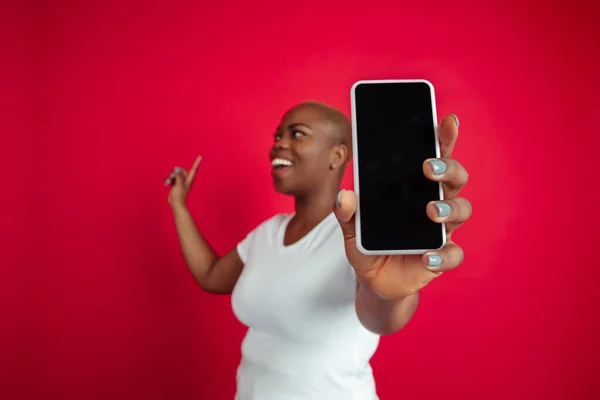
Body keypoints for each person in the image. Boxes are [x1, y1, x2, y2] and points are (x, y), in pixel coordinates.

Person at [166, 101, 472, 400]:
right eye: (277, 135)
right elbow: (211, 275)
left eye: (297, 133)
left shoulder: (362, 237)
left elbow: (382, 319)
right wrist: (178, 205)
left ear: (337, 155)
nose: (279, 144)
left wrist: (389, 292)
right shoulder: (269, 232)